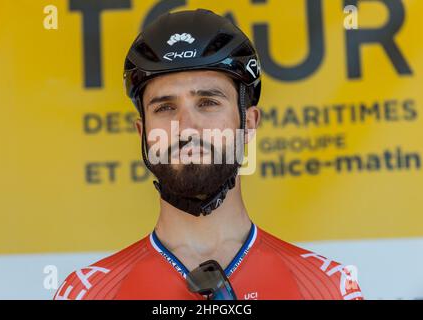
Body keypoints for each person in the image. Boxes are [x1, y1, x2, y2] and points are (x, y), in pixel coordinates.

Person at [54, 9, 363, 300]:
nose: (186, 127)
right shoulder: (86, 292)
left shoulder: (328, 287)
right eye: (165, 107)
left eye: (208, 102)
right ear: (142, 133)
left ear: (249, 123)